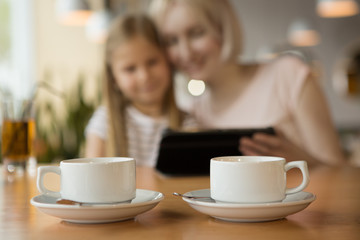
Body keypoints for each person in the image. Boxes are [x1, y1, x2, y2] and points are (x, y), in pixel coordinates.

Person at [149, 0, 346, 166]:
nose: (185, 53)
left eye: (196, 33)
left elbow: (341, 174)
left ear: (222, 28)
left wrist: (302, 162)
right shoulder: (195, 113)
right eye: (171, 41)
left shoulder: (288, 76)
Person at [85, 14, 194, 167]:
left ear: (168, 61)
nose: (144, 76)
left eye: (152, 62)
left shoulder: (188, 124)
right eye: (130, 69)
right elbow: (89, 179)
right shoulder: (104, 122)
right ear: (114, 79)